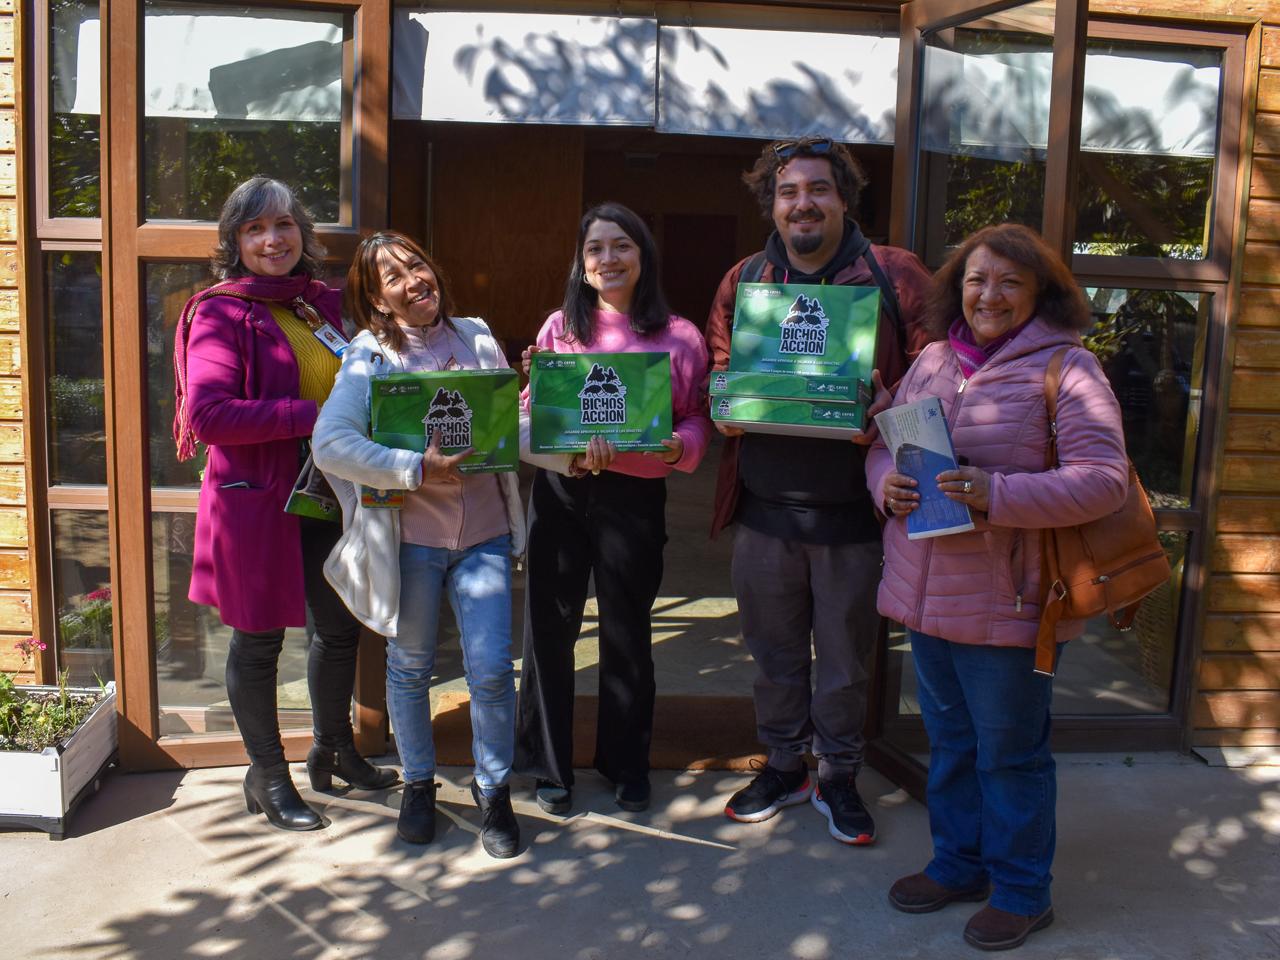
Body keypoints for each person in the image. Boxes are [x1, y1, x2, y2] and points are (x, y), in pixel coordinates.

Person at [867, 223, 1128, 950]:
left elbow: (1104, 481)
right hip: (926, 592)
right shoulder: (933, 359)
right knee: (951, 743)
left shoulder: (1069, 368)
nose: (990, 295)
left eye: (1011, 282)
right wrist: (884, 485)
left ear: (1041, 294)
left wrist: (996, 493)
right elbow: (888, 445)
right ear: (958, 287)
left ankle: (1021, 892)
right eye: (978, 280)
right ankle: (959, 865)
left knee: (1010, 753)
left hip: (1012, 601)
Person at [707, 137, 933, 845]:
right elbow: (721, 367)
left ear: (843, 199)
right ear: (771, 205)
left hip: (855, 517)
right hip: (764, 513)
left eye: (817, 190)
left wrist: (891, 404)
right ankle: (784, 765)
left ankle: (838, 774)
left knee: (843, 667)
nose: (802, 203)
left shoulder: (894, 274)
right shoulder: (746, 279)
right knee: (772, 657)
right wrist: (725, 400)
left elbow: (941, 374)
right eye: (788, 192)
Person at [173, 177, 396, 833]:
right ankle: (268, 776)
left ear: (303, 232)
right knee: (259, 639)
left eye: (284, 225)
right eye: (255, 229)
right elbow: (209, 415)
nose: (273, 240)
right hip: (256, 501)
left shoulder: (325, 302)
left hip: (329, 492)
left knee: (340, 627)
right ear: (235, 241)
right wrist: (314, 415)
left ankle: (333, 749)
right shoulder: (218, 313)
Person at [311, 231, 526, 859]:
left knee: (492, 670)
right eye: (394, 277)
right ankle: (419, 785)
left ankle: (494, 790)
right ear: (378, 300)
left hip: (485, 532)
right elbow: (330, 444)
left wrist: (562, 433)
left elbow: (506, 427)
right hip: (411, 540)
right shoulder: (369, 356)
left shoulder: (476, 336)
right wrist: (412, 467)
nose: (413, 281)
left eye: (417, 265)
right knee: (409, 668)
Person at [515, 202, 713, 815]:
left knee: (627, 631)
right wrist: (567, 450)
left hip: (635, 498)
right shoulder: (559, 328)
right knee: (550, 629)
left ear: (643, 255)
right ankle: (549, 767)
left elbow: (697, 417)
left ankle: (627, 764)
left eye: (621, 245)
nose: (609, 258)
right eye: (595, 248)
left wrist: (679, 447)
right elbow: (529, 414)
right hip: (563, 493)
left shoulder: (680, 336)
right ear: (581, 262)